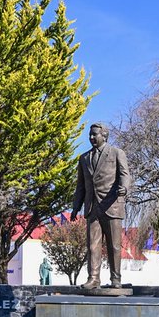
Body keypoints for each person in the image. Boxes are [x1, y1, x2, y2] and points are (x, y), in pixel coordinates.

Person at [70, 123, 131, 289]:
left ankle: (116, 279)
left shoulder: (117, 153)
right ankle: (93, 278)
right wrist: (76, 207)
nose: (91, 138)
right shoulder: (83, 158)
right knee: (92, 246)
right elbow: (80, 186)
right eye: (90, 135)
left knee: (114, 245)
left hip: (112, 205)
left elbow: (125, 176)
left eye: (94, 134)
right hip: (92, 207)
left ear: (104, 136)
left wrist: (124, 189)